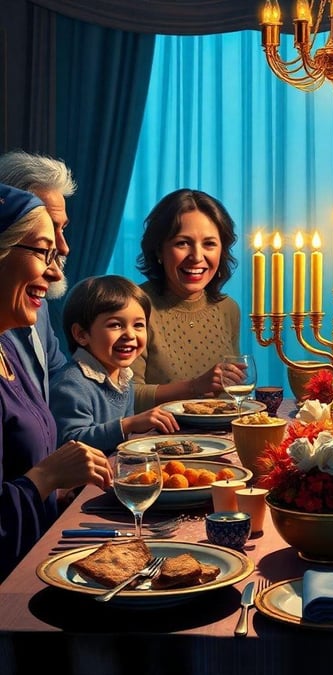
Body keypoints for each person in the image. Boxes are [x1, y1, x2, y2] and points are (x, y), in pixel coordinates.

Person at [0, 183, 112, 582]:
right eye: (42, 251)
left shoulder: (9, 350)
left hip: (36, 561)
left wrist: (63, 486)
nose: (56, 270)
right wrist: (47, 478)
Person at [132, 188, 244, 411]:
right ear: (159, 251)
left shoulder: (228, 309)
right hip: (152, 441)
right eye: (182, 243)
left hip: (220, 440)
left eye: (209, 244)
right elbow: (123, 396)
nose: (197, 257)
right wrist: (194, 387)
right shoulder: (134, 305)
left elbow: (230, 395)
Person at [50, 276, 180, 454]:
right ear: (81, 334)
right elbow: (71, 442)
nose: (130, 334)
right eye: (116, 325)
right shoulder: (71, 383)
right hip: (82, 480)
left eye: (139, 325)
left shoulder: (124, 377)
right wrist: (128, 425)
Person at [0, 150, 75, 402]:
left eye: (62, 228)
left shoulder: (37, 307)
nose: (63, 247)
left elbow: (59, 381)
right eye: (49, 229)